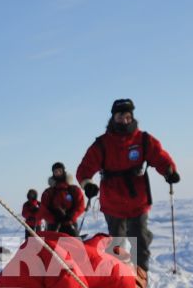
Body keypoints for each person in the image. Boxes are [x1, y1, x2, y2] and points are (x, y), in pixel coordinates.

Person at [76, 98, 178, 270]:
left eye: (127, 117)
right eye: (120, 117)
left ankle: (141, 281)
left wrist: (169, 171)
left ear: (132, 117)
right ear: (113, 118)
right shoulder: (102, 144)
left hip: (138, 200)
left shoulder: (143, 140)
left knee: (139, 243)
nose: (124, 120)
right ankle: (119, 280)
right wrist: (88, 184)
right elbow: (84, 169)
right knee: (116, 245)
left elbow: (159, 157)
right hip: (112, 202)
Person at [41, 163, 84, 234]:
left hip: (70, 223)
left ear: (64, 172)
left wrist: (71, 216)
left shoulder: (74, 189)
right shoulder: (48, 192)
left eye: (60, 171)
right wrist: (54, 218)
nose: (58, 173)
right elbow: (43, 209)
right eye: (55, 172)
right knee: (52, 245)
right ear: (53, 174)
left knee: (72, 244)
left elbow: (80, 206)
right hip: (53, 225)